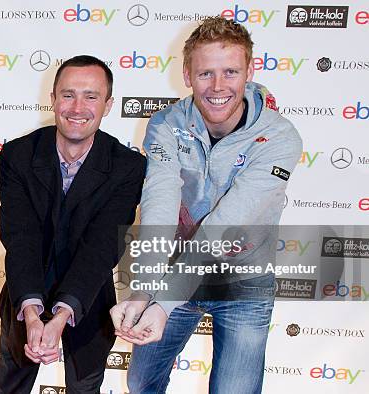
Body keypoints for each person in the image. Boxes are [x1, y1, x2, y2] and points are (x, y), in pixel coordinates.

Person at [110, 17, 302, 393]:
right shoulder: (166, 123)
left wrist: (161, 305)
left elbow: (225, 224)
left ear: (250, 70)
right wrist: (145, 288)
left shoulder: (279, 137)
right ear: (186, 73)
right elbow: (160, 204)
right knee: (140, 381)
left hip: (243, 282)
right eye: (205, 73)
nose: (217, 87)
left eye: (230, 72)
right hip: (178, 269)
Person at [0, 55, 146, 393]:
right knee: (10, 382)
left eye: (91, 96)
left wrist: (62, 314)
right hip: (27, 287)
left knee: (85, 384)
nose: (78, 107)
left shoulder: (127, 166)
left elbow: (103, 245)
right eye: (68, 95)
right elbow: (21, 237)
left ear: (108, 105)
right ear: (53, 100)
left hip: (88, 293)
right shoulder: (17, 154)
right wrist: (32, 312)